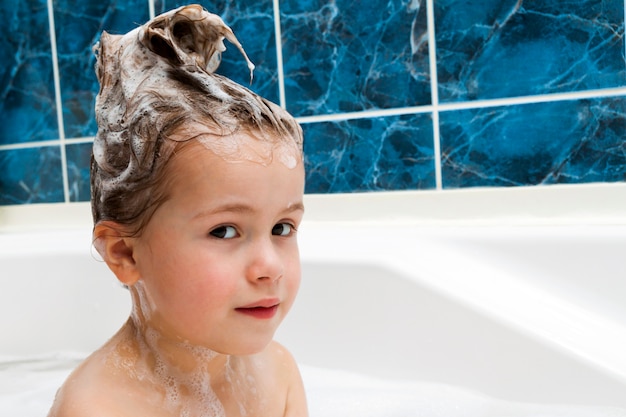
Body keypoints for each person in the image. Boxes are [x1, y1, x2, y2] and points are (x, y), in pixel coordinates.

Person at [48, 4, 308, 417]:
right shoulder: (98, 408)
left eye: (282, 227)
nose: (269, 267)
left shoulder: (277, 373)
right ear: (125, 254)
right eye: (224, 231)